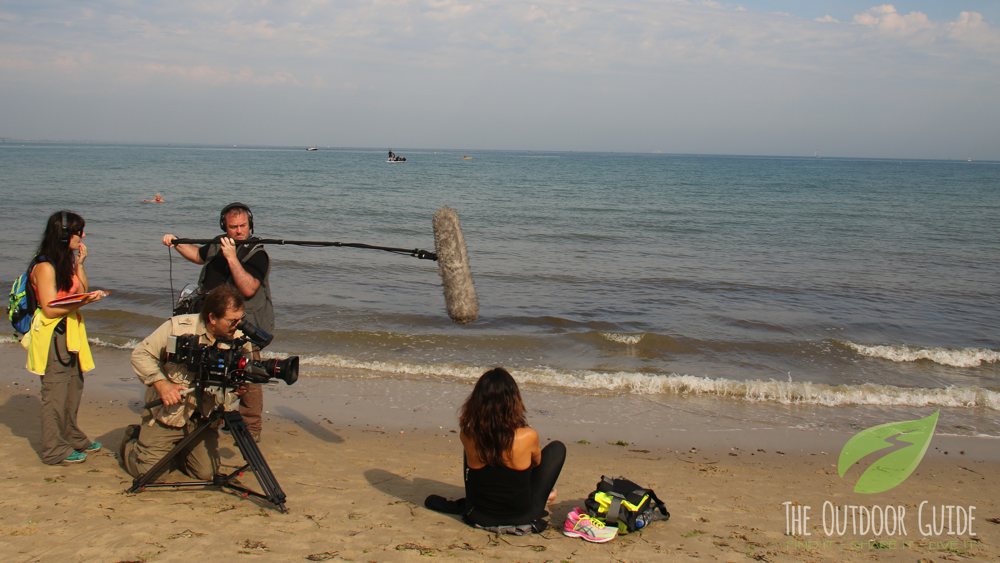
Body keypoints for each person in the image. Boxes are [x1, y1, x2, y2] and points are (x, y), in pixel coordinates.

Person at [161, 202, 273, 441]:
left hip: (244, 323)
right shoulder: (218, 243)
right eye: (233, 227)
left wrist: (232, 257)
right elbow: (199, 255)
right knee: (209, 367)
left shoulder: (258, 253)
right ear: (225, 227)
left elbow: (249, 288)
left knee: (247, 373)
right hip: (212, 320)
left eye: (243, 226)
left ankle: (251, 428)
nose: (239, 231)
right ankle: (213, 416)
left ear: (250, 225)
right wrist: (176, 242)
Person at [120, 285, 251, 480]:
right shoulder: (178, 327)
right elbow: (140, 355)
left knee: (207, 473)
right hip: (170, 413)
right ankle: (131, 441)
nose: (238, 325)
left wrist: (237, 391)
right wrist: (162, 384)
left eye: (241, 319)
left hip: (203, 416)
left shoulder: (239, 339)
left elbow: (243, 375)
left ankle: (179, 452)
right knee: (149, 474)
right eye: (232, 321)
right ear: (212, 318)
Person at [425, 367, 566, 532]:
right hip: (522, 516)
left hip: (478, 515)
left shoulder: (468, 433)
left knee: (475, 449)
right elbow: (536, 464)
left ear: (477, 400)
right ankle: (545, 495)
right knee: (557, 449)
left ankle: (473, 501)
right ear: (513, 401)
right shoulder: (527, 435)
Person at [23, 211, 107, 465]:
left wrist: (80, 263)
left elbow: (80, 290)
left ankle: (71, 434)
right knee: (55, 391)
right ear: (64, 235)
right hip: (52, 333)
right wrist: (83, 301)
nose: (82, 236)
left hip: (71, 330)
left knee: (74, 386)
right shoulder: (45, 266)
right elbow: (49, 308)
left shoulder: (65, 261)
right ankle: (53, 449)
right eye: (78, 231)